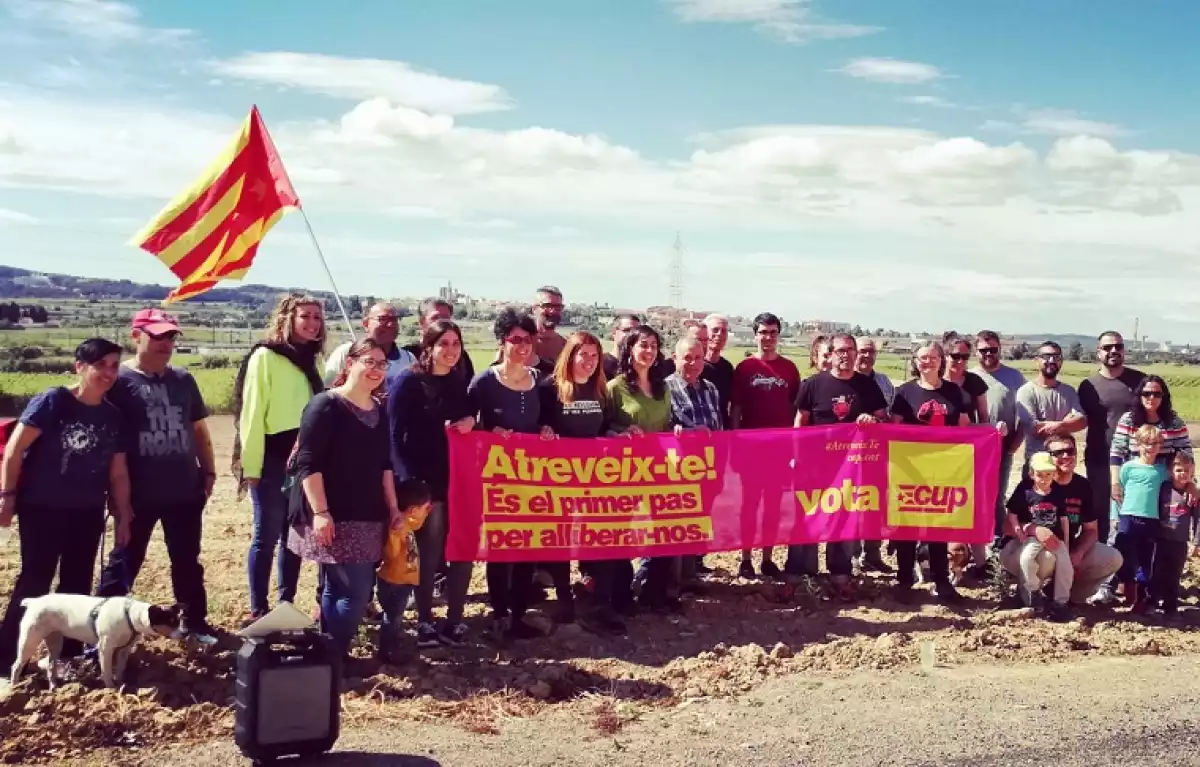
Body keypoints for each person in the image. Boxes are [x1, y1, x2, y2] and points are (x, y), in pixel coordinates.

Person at [0, 339, 131, 672]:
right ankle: (7, 657)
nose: (108, 372)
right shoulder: (53, 401)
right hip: (42, 509)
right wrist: (7, 496)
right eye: (100, 364)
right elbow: (15, 450)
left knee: (77, 585)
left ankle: (66, 658)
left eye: (114, 365)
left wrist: (124, 515)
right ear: (79, 367)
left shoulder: (113, 416)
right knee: (35, 581)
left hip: (86, 512)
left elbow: (117, 472)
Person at [97, 309, 216, 643]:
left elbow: (198, 429)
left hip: (183, 488)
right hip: (137, 492)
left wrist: (207, 469)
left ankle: (194, 623)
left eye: (171, 337)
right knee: (124, 560)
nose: (166, 344)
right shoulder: (117, 382)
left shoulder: (183, 380)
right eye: (157, 336)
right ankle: (101, 629)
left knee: (187, 561)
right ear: (136, 336)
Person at [289, 339, 398, 659]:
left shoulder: (379, 410)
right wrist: (321, 512)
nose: (376, 370)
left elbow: (385, 465)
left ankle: (330, 654)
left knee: (340, 589)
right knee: (356, 593)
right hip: (333, 514)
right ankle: (332, 655)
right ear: (350, 363)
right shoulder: (324, 406)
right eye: (370, 362)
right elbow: (307, 463)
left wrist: (392, 508)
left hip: (368, 514)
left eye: (382, 364)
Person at [232, 294, 326, 624]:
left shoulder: (312, 360)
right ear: (287, 318)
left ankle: (286, 602)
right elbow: (252, 415)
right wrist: (252, 467)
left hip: (303, 459)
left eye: (317, 317)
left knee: (294, 538)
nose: (313, 323)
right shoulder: (265, 357)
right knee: (266, 535)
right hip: (272, 459)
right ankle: (258, 606)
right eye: (305, 316)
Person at [470, 308, 559, 641]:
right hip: (496, 481)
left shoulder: (542, 383)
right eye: (516, 340)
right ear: (502, 342)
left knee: (527, 549)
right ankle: (499, 614)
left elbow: (545, 423)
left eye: (528, 340)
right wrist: (488, 430)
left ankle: (520, 614)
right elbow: (467, 425)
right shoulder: (484, 382)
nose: (523, 346)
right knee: (501, 549)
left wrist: (547, 430)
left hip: (531, 480)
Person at [387, 319, 476, 648]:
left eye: (456, 343)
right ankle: (425, 621)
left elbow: (466, 419)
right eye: (444, 344)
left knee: (462, 549)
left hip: (458, 479)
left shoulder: (457, 381)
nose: (451, 350)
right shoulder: (407, 383)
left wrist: (471, 421)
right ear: (429, 346)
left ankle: (455, 620)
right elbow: (393, 436)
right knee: (430, 550)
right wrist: (409, 483)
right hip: (423, 483)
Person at [539, 331, 626, 635]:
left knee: (603, 536)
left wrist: (616, 435)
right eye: (583, 354)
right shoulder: (548, 389)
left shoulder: (599, 389)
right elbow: (537, 427)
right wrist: (544, 430)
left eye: (594, 356)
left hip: (595, 479)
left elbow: (602, 428)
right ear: (570, 356)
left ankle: (601, 602)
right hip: (559, 479)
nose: (588, 361)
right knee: (561, 538)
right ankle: (564, 596)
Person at [792, 333, 887, 598]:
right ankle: (805, 575)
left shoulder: (867, 387)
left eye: (850, 350)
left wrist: (873, 421)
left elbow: (884, 420)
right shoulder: (812, 384)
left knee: (843, 521)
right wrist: (797, 458)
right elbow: (800, 421)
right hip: (814, 466)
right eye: (840, 350)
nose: (845, 355)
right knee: (808, 520)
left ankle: (840, 575)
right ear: (831, 354)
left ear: (857, 354)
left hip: (851, 469)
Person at [889, 342, 968, 603]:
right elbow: (894, 430)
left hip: (944, 468)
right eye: (923, 358)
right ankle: (904, 579)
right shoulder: (904, 393)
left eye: (933, 357)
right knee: (908, 527)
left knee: (938, 528)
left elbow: (964, 428)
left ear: (941, 360)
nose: (928, 362)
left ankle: (941, 580)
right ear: (915, 361)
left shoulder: (954, 392)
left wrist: (992, 432)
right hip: (910, 469)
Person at [608, 325, 674, 611]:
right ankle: (621, 596)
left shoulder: (664, 387)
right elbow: (604, 428)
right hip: (624, 473)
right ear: (630, 349)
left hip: (659, 471)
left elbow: (667, 425)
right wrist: (619, 432)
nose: (648, 351)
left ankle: (653, 591)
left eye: (653, 346)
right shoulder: (614, 387)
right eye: (642, 345)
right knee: (622, 533)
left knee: (664, 532)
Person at [731, 312, 801, 579]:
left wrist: (795, 446)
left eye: (773, 332)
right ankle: (746, 558)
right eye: (763, 332)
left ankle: (768, 558)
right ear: (755, 334)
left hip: (779, 450)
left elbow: (796, 409)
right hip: (750, 449)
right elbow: (735, 408)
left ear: (778, 335)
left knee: (773, 504)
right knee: (749, 504)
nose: (768, 337)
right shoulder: (745, 368)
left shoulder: (789, 368)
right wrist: (736, 443)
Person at [664, 336, 724, 598]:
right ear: (675, 358)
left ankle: (689, 576)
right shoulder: (663, 388)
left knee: (698, 523)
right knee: (675, 524)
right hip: (677, 470)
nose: (692, 363)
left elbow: (718, 426)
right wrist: (686, 433)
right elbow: (664, 428)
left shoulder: (711, 388)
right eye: (686, 357)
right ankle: (668, 582)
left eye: (698, 358)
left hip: (707, 467)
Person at [1077, 331, 1143, 549]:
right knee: (1100, 509)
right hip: (1099, 457)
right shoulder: (1088, 386)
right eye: (1107, 347)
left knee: (1134, 508)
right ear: (1098, 353)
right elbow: (1078, 419)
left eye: (1118, 346)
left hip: (1134, 459)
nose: (1113, 351)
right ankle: (1101, 557)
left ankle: (1129, 558)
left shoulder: (1141, 382)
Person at [971, 330, 1026, 550]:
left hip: (1003, 447)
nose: (988, 354)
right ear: (976, 351)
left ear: (1000, 349)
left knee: (997, 494)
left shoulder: (1015, 377)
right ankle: (974, 538)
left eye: (993, 349)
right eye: (984, 350)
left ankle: (997, 540)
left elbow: (1024, 415)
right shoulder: (970, 377)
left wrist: (1014, 445)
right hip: (974, 447)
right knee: (974, 494)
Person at [1003, 452, 1073, 620]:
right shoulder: (1025, 490)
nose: (1044, 479)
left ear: (1054, 473)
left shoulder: (1057, 492)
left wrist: (1066, 542)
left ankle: (1061, 602)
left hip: (1054, 536)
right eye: (1040, 475)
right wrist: (1019, 531)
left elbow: (1064, 518)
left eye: (1048, 474)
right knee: (1026, 558)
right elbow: (1012, 513)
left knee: (1066, 566)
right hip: (1033, 536)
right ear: (1032, 474)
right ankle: (1033, 591)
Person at [1113, 424, 1169, 613]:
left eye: (1155, 443)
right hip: (1128, 516)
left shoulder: (1162, 471)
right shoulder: (1128, 467)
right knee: (1123, 554)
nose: (1150, 447)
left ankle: (1141, 596)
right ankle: (1126, 587)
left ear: (1160, 446)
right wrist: (1115, 515)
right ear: (1138, 444)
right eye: (1146, 443)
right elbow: (1118, 493)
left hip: (1151, 520)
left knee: (1147, 559)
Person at [376, 478, 431, 663]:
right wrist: (393, 535)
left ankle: (391, 645)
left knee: (393, 617)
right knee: (392, 617)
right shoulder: (398, 528)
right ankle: (387, 651)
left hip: (402, 581)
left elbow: (417, 524)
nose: (428, 513)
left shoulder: (408, 524)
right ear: (414, 511)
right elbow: (390, 554)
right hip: (395, 582)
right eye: (426, 509)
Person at [853, 335, 894, 573]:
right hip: (848, 456)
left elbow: (889, 417)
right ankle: (854, 557)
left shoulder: (884, 382)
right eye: (862, 351)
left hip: (878, 453)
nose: (866, 356)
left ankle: (873, 553)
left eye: (870, 352)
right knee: (852, 504)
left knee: (875, 505)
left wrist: (877, 421)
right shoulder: (846, 381)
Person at [1014, 341, 1085, 466]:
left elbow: (1081, 422)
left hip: (1064, 463)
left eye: (1056, 357)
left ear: (1061, 361)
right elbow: (1035, 428)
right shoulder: (1026, 391)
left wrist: (1059, 424)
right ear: (1036, 360)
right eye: (1046, 357)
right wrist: (1067, 424)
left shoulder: (1069, 391)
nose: (1051, 360)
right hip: (1037, 464)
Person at [323, 302, 416, 388]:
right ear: (366, 324)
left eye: (394, 319)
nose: (390, 324)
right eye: (382, 319)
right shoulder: (345, 353)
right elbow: (328, 389)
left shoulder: (409, 359)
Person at [1152, 453, 1200, 620]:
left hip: (1179, 542)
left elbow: (1198, 519)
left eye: (1187, 470)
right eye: (1179, 470)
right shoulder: (1163, 488)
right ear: (1170, 471)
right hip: (1161, 539)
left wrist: (1196, 542)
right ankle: (1153, 601)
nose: (1183, 474)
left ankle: (1171, 607)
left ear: (1192, 471)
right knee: (1157, 571)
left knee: (1174, 574)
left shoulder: (1193, 494)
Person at [403, 298, 474, 380]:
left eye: (446, 318)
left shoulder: (459, 355)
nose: (441, 322)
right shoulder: (407, 356)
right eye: (435, 318)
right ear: (421, 322)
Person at [702, 314, 734, 424]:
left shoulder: (728, 368)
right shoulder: (694, 366)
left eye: (724, 331)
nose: (719, 334)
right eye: (715, 330)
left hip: (722, 430)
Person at [532, 286, 566, 376]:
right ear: (534, 309)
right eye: (547, 306)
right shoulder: (520, 343)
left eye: (558, 307)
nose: (553, 311)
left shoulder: (565, 346)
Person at [602, 313, 641, 380]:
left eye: (636, 332)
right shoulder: (600, 363)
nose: (631, 335)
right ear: (614, 332)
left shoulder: (640, 367)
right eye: (627, 330)